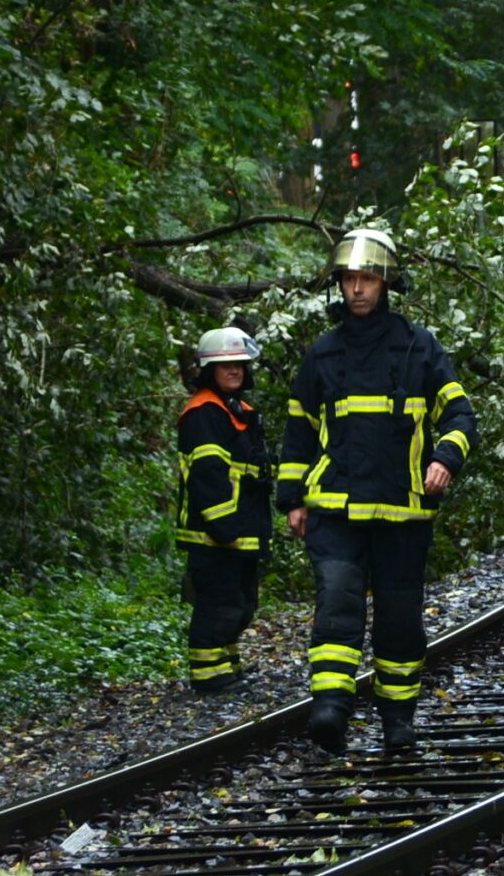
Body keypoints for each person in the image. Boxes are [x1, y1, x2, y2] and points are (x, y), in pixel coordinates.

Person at [274, 228, 477, 754]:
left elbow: (459, 413)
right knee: (337, 602)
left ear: (386, 283)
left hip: (402, 513)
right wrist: (293, 498)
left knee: (399, 620)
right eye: (348, 280)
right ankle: (330, 710)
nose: (357, 289)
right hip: (337, 511)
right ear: (337, 286)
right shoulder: (321, 355)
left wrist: (446, 457)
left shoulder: (419, 346)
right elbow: (297, 432)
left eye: (366, 278)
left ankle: (397, 722)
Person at [176, 327, 273, 694]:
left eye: (239, 364)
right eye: (225, 365)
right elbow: (207, 475)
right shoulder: (204, 414)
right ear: (209, 370)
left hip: (242, 529)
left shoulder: (240, 412)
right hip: (216, 534)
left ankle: (226, 666)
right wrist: (223, 527)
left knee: (241, 603)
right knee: (219, 604)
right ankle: (209, 677)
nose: (234, 370)